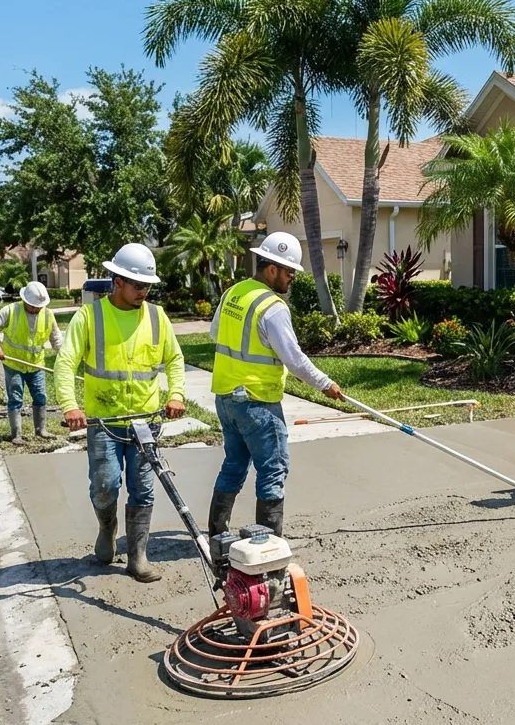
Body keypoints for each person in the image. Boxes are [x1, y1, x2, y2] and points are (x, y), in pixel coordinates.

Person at [54, 243, 187, 583]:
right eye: (138, 285)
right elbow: (66, 362)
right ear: (117, 280)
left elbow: (174, 360)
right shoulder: (91, 316)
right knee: (105, 485)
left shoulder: (157, 317)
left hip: (146, 422)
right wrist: (70, 404)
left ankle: (138, 555)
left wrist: (176, 394)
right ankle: (107, 528)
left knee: (143, 489)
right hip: (105, 422)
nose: (144, 291)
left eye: (147, 286)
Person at [206, 231, 344, 538]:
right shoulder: (273, 307)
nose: (292, 277)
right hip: (257, 403)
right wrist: (325, 384)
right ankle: (269, 542)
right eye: (289, 271)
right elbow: (294, 359)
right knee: (273, 470)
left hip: (227, 399)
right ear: (272, 269)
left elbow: (216, 333)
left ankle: (217, 534)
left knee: (234, 464)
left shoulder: (234, 293)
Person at [0, 281, 62, 444]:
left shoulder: (48, 315)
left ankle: (41, 430)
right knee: (15, 398)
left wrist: (63, 355)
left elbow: (56, 338)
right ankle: (16, 434)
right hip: (14, 365)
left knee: (40, 397)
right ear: (25, 301)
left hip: (36, 365)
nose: (36, 309)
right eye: (33, 306)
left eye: (39, 306)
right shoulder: (11, 310)